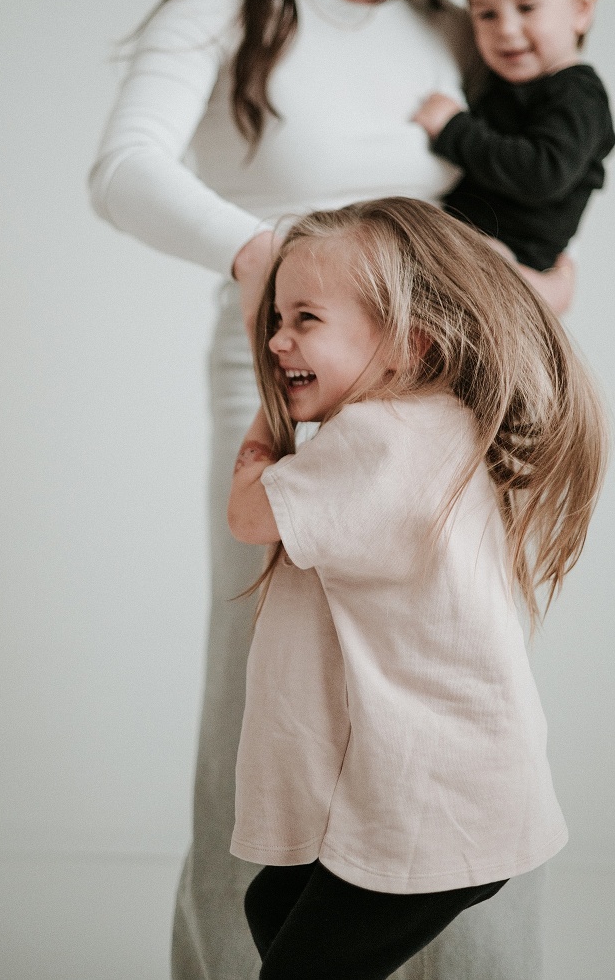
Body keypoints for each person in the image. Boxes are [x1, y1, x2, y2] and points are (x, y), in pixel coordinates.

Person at [90, 0, 573, 976]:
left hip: (441, 380)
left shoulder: (446, 25)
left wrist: (535, 271)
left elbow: (537, 149)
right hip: (294, 372)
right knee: (271, 676)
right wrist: (271, 257)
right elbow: (124, 169)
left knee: (460, 660)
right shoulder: (230, 5)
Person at [227, 198, 608, 980]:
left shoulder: (375, 441)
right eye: (272, 317)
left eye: (304, 318)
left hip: (437, 796)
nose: (276, 339)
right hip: (458, 782)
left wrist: (255, 400)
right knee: (275, 907)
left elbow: (248, 513)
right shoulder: (441, 420)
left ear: (410, 342)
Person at [414, 0, 615, 272]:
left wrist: (454, 130)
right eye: (486, 14)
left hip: (512, 261)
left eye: (526, 8)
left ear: (582, 8)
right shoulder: (498, 81)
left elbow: (543, 173)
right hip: (467, 243)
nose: (505, 30)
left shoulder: (579, 95)